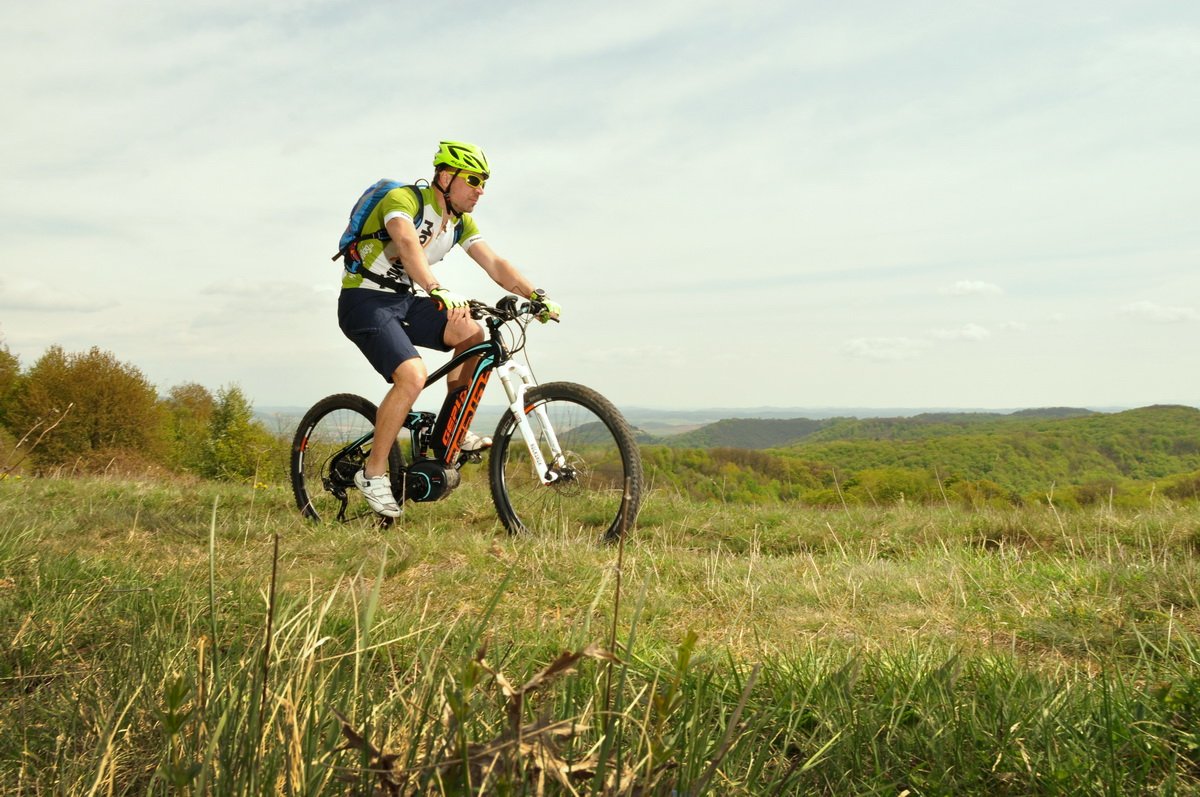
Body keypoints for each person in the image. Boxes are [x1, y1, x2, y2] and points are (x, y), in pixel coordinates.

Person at [337, 140, 561, 518]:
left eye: (485, 182)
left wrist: (535, 295)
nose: (480, 190)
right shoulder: (406, 200)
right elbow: (406, 242)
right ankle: (372, 473)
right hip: (365, 301)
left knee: (472, 335)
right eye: (473, 180)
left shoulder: (459, 223)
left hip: (406, 301)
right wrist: (435, 288)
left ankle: (451, 430)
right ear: (445, 176)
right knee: (411, 376)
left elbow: (495, 263)